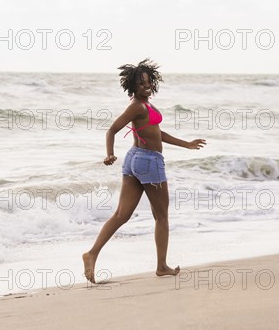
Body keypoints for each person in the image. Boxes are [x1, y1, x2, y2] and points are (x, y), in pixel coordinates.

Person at [82, 58, 207, 284]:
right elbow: (111, 130)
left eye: (148, 82)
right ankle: (161, 266)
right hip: (148, 161)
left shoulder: (144, 105)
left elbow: (157, 133)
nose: (146, 86)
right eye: (141, 84)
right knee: (161, 216)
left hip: (134, 160)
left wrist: (186, 144)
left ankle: (92, 254)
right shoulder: (137, 106)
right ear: (133, 86)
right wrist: (109, 154)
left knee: (122, 214)